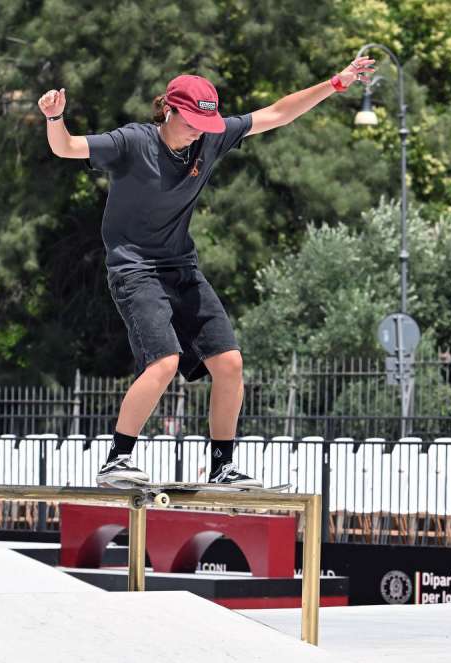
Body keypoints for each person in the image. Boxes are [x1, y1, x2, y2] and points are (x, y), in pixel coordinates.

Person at [38, 59, 374, 487]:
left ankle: (222, 465)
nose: (199, 131)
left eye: (206, 122)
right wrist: (54, 117)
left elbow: (277, 113)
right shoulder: (131, 142)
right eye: (192, 121)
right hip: (134, 269)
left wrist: (335, 84)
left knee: (230, 363)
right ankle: (117, 460)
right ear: (170, 111)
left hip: (181, 267)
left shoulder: (211, 141)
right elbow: (65, 147)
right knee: (164, 362)